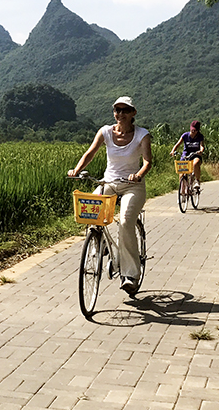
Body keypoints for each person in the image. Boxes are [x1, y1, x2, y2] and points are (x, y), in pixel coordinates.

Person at [67, 96, 153, 295]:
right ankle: (101, 242)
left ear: (133, 113)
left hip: (132, 185)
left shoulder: (142, 135)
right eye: (117, 110)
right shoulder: (105, 132)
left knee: (124, 222)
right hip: (109, 183)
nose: (120, 114)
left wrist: (138, 175)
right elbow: (91, 152)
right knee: (91, 209)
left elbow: (147, 162)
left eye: (125, 110)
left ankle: (130, 274)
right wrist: (77, 170)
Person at [169, 120, 205, 192]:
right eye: (192, 130)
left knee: (195, 163)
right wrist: (173, 151)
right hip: (186, 155)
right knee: (181, 173)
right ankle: (182, 191)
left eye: (194, 130)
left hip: (195, 154)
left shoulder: (200, 137)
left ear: (197, 130)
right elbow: (177, 144)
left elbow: (202, 146)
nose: (193, 131)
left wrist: (201, 151)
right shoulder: (185, 135)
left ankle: (197, 181)